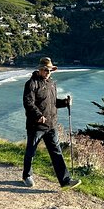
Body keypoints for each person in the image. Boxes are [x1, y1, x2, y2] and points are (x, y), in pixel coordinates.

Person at [22, 57, 80, 189]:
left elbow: (53, 103)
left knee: (57, 152)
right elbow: (28, 102)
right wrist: (38, 115)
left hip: (51, 125)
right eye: (45, 70)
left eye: (50, 70)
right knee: (31, 151)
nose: (48, 72)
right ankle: (27, 175)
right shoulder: (31, 83)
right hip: (36, 125)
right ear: (40, 69)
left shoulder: (52, 83)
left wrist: (65, 102)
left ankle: (65, 181)